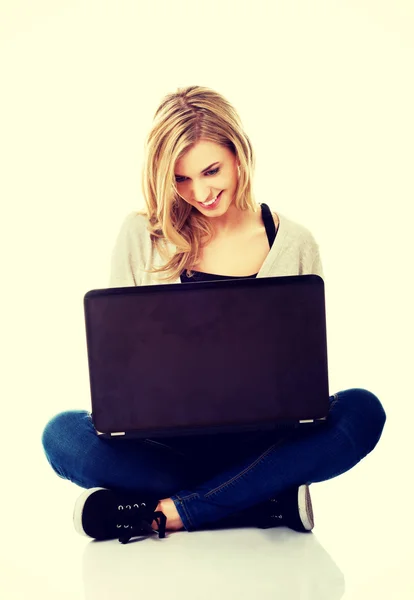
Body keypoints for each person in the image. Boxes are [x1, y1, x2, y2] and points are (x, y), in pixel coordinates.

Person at [41, 85, 386, 544]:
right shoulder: (142, 234)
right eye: (181, 180)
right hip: (169, 449)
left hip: (263, 445)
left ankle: (171, 512)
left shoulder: (294, 242)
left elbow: (304, 371)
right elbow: (119, 365)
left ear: (238, 154)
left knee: (363, 411)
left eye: (211, 170)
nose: (200, 192)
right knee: (62, 435)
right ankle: (264, 500)